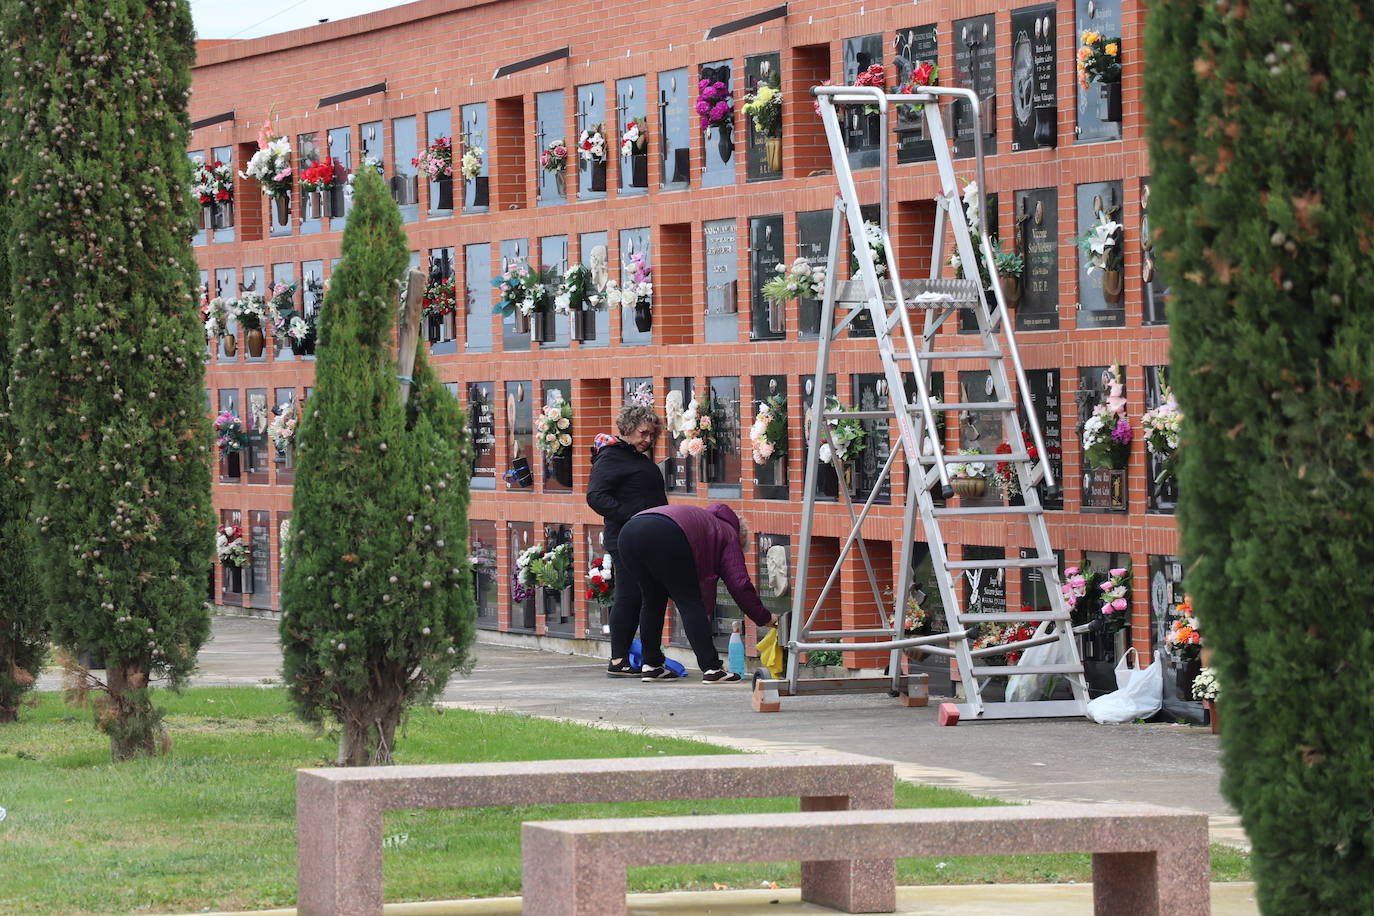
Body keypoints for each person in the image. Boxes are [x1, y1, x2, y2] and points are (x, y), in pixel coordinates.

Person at [618, 503, 778, 683]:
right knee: (689, 601)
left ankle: (652, 665)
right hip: (665, 534)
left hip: (628, 533)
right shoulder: (728, 534)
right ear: (740, 537)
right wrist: (764, 617)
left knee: (652, 599)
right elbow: (739, 584)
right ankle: (712, 668)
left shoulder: (703, 523)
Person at [586, 403, 668, 677]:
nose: (648, 439)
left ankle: (647, 660)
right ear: (628, 428)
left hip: (645, 536)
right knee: (630, 595)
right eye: (643, 433)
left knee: (645, 595)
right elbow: (596, 496)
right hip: (627, 537)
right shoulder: (612, 456)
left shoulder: (633, 457)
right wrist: (632, 517)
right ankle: (619, 659)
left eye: (652, 435)